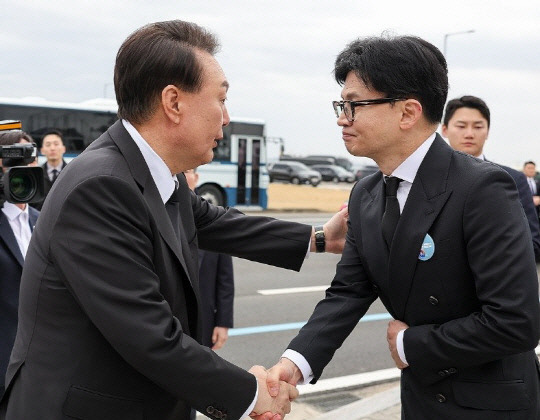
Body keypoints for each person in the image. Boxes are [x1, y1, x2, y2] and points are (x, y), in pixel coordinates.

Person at [0, 20, 347, 420]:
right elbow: (148, 335)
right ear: (174, 102)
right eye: (220, 99)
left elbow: (215, 223)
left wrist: (320, 238)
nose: (227, 117)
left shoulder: (155, 172)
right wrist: (251, 395)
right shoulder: (100, 187)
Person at [262, 35, 540, 420]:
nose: (342, 118)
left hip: (488, 404)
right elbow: (348, 292)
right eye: (341, 105)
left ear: (408, 113)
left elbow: (516, 322)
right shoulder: (366, 193)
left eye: (354, 105)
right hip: (421, 400)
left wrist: (411, 344)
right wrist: (294, 363)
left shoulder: (482, 188)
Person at [441, 95, 540, 261]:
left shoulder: (512, 179)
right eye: (461, 126)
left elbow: (532, 243)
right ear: (445, 129)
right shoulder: (427, 177)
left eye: (478, 126)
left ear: (487, 131)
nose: (469, 134)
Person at [0, 130, 40, 398]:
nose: (24, 169)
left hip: (40, 369)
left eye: (30, 159)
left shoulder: (46, 219)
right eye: (15, 160)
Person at [185, 168, 234, 350]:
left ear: (196, 178)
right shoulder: (155, 213)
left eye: (187, 172)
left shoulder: (213, 218)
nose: (182, 177)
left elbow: (225, 280)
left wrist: (223, 322)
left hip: (204, 320)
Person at [33, 129, 67, 210]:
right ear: (42, 150)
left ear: (63, 148)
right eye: (48, 145)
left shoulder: (72, 173)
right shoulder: (36, 174)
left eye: (56, 144)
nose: (52, 148)